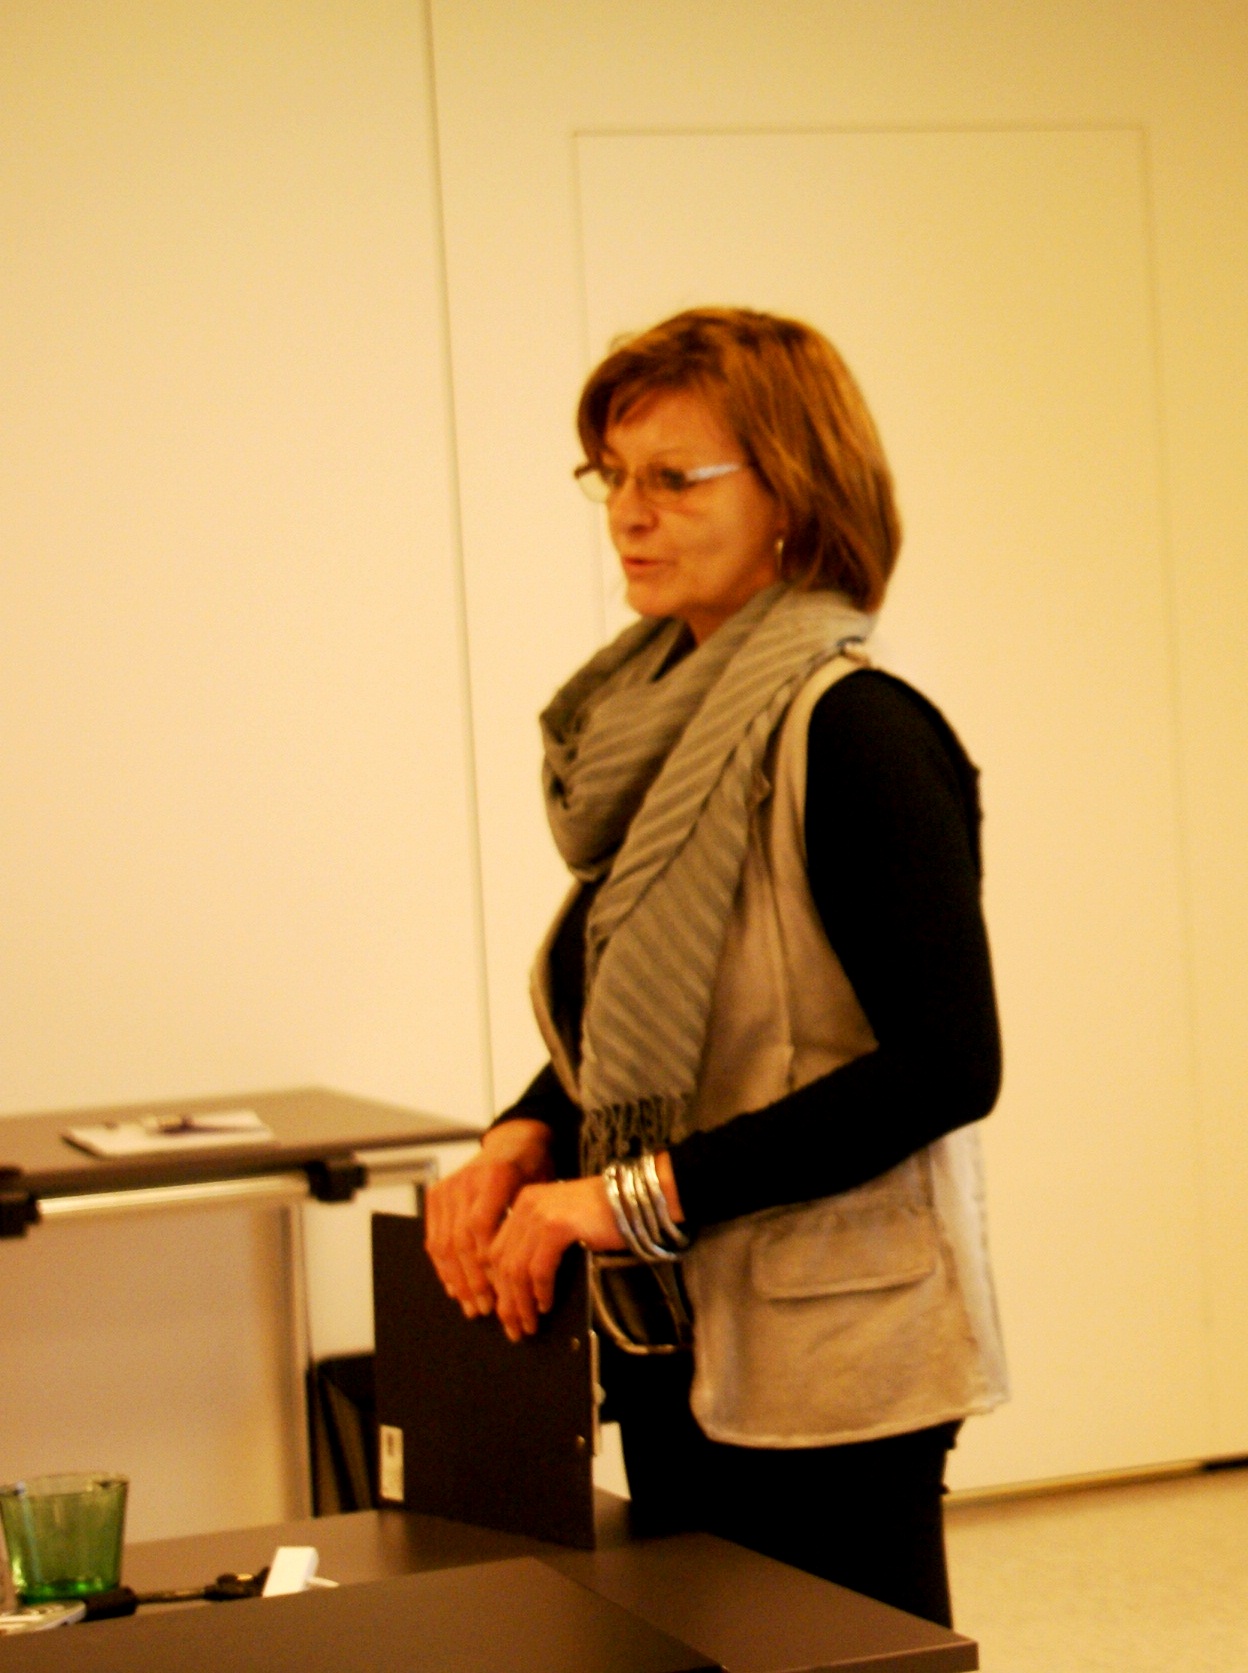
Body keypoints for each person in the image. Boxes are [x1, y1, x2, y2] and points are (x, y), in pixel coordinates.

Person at [425, 306, 1007, 1627]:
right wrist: (527, 1131)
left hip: (835, 1354)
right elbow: (659, 1012)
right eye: (612, 476)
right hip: (667, 1331)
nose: (630, 514)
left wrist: (622, 1197)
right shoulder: (661, 734)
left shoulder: (857, 732)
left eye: (675, 478)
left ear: (794, 496)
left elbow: (946, 1067)